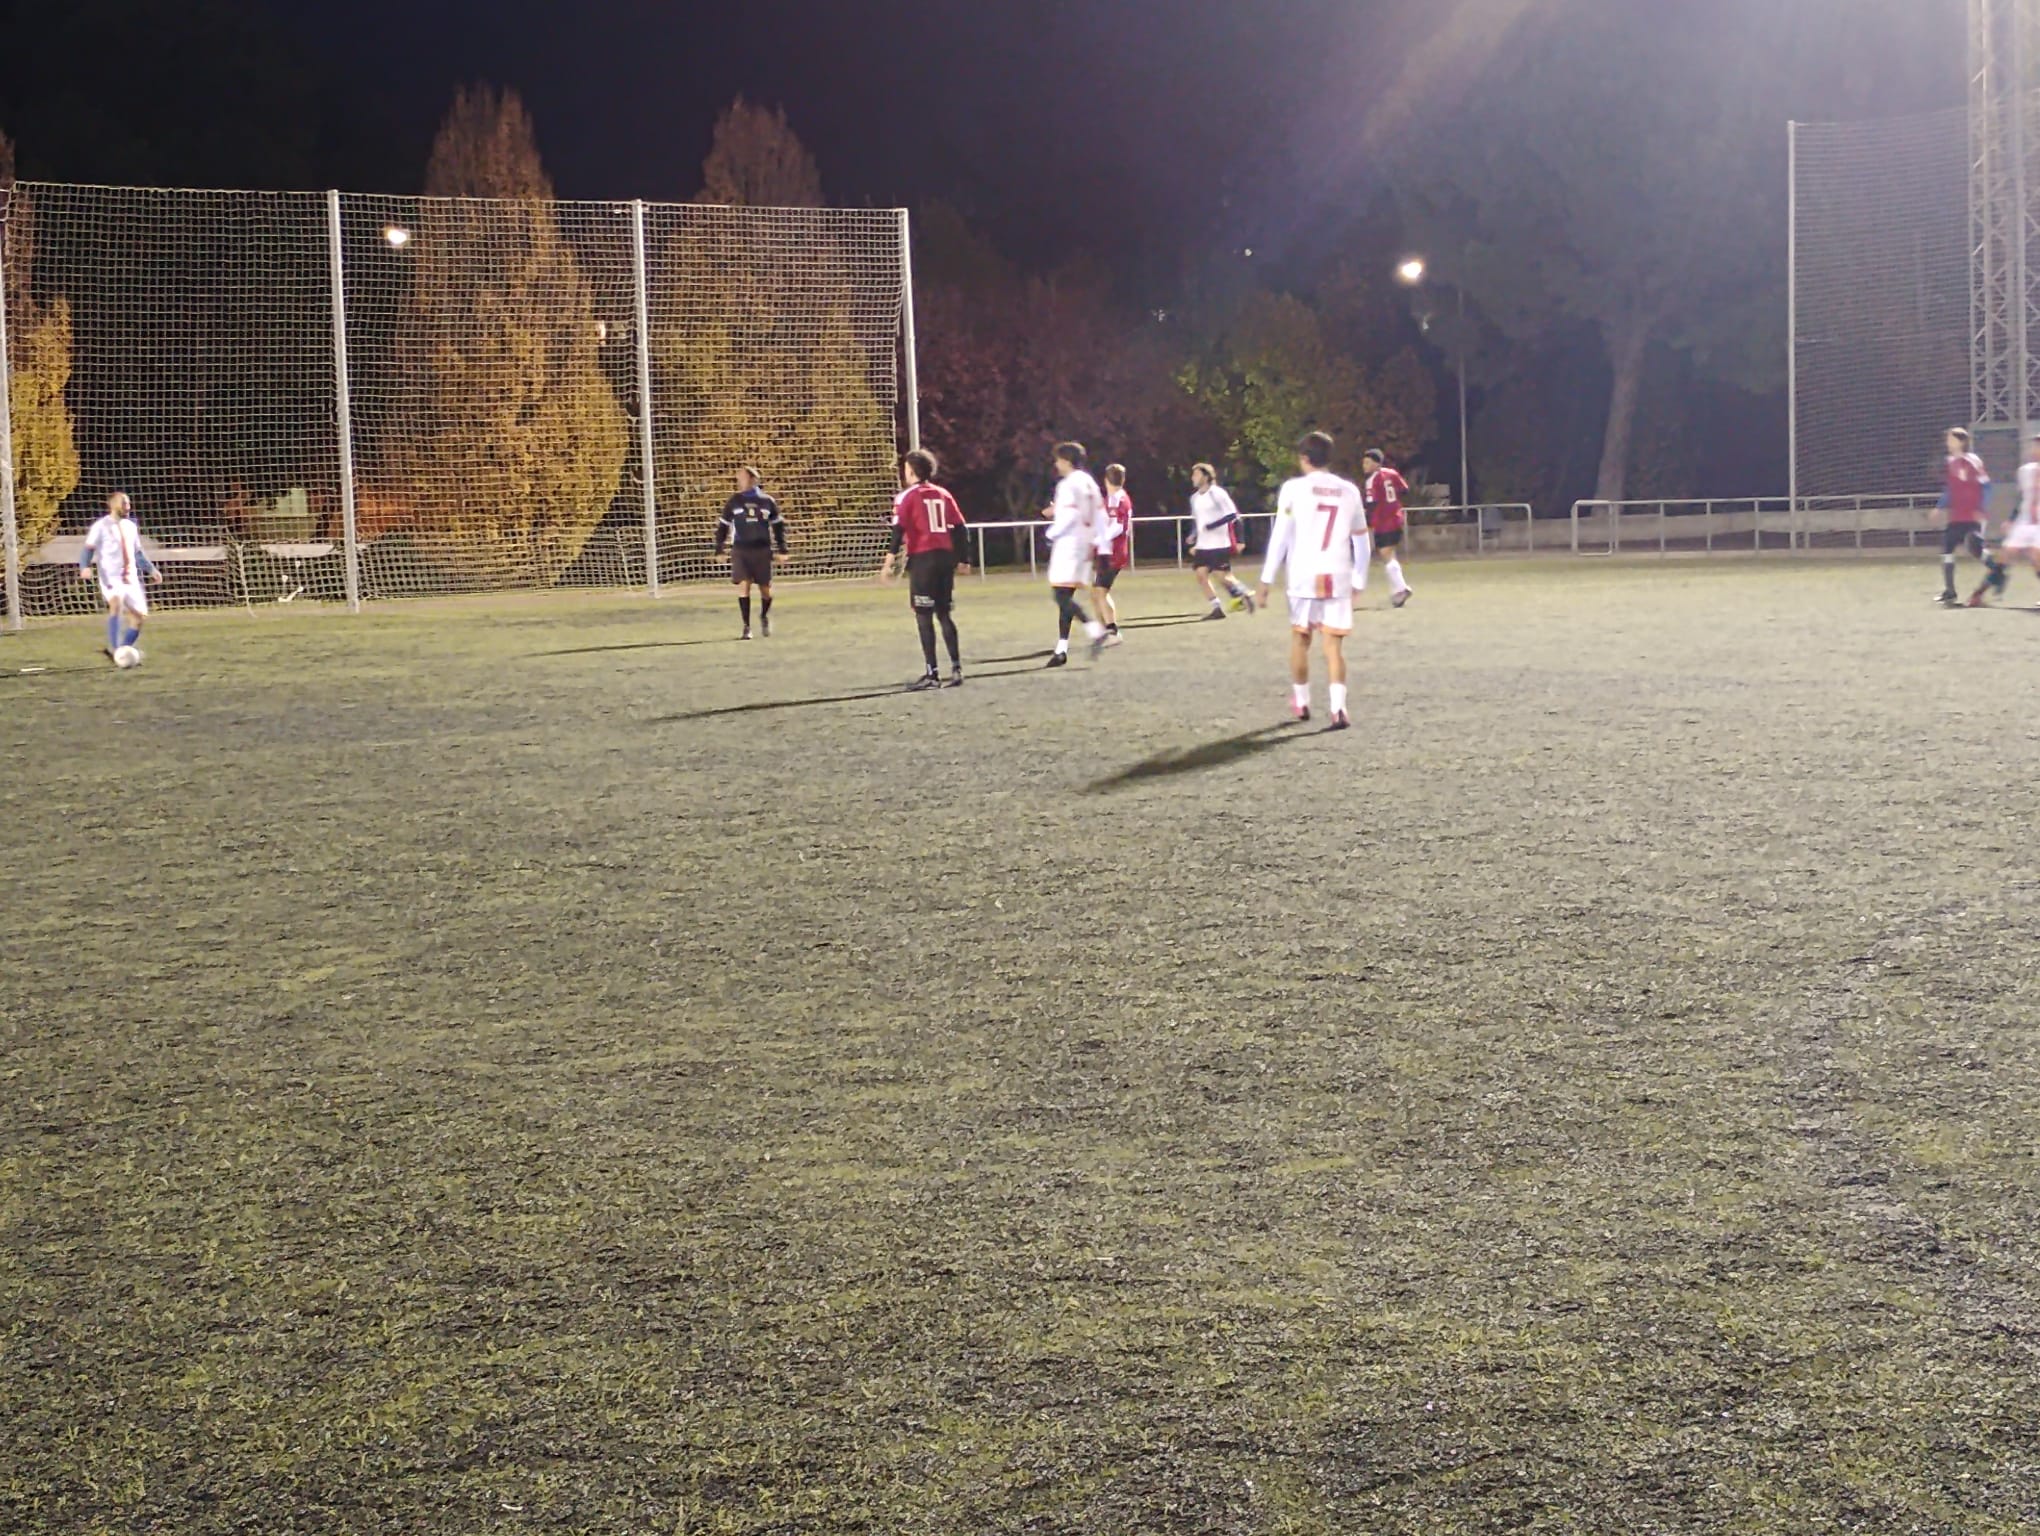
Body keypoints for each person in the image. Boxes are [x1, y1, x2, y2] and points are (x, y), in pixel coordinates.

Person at [1256, 432, 1368, 730]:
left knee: (1300, 639)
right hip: (1337, 575)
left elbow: (1280, 536)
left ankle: (1302, 701)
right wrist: (1359, 579)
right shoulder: (1349, 490)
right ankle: (1338, 708)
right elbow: (1362, 541)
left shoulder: (1293, 489)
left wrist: (1266, 579)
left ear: (1304, 458)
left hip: (1303, 576)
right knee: (1333, 648)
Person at [880, 448, 970, 689]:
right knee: (944, 614)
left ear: (911, 471)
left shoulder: (906, 497)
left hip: (923, 559)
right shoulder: (943, 493)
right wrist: (964, 559)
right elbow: (960, 528)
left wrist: (888, 563)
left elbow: (898, 531)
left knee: (923, 615)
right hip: (945, 558)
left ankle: (932, 674)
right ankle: (957, 669)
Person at [1040, 441, 1109, 667]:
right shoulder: (1089, 482)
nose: (1056, 464)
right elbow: (1100, 515)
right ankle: (1061, 650)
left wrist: (1050, 534)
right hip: (1085, 545)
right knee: (1065, 597)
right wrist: (1101, 544)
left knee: (1060, 596)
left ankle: (1095, 629)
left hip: (1069, 544)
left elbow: (1069, 516)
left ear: (1066, 460)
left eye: (1058, 459)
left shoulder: (1067, 484)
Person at [77, 491, 160, 664]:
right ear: (113, 505)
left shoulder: (130, 526)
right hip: (110, 577)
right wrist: (84, 566)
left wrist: (151, 569)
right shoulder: (101, 526)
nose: (128, 507)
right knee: (116, 603)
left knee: (139, 618)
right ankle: (115, 649)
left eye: (128, 503)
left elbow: (137, 552)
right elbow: (88, 549)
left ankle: (121, 651)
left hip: (131, 578)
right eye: (124, 503)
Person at [713, 466, 787, 638]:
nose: (740, 481)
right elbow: (723, 526)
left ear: (754, 480)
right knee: (743, 586)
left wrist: (782, 549)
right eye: (739, 478)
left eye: (743, 478)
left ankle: (764, 615)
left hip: (762, 550)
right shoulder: (734, 501)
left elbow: (778, 526)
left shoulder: (767, 501)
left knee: (765, 590)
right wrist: (719, 549)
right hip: (741, 550)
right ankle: (746, 627)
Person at [1971, 433, 2040, 607]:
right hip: (2024, 521)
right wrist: (2011, 519)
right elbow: (2021, 498)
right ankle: (1977, 595)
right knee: (2004, 556)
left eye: (2037, 445)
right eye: (2035, 445)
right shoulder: (2025, 471)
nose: (2035, 449)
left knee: (2037, 555)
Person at [1186, 463, 1257, 619]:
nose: (1193, 478)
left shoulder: (1217, 493)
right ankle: (1216, 607)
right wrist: (1193, 536)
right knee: (1201, 574)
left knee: (1222, 575)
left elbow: (1232, 515)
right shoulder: (1194, 498)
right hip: (1203, 544)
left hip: (1218, 543)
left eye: (1196, 474)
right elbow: (1197, 521)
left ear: (1206, 476)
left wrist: (1213, 526)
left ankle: (1244, 592)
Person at [1937, 428, 1989, 607]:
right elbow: (1950, 489)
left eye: (1951, 439)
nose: (1947, 442)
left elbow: (1986, 486)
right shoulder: (1950, 461)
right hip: (1956, 516)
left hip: (1972, 515)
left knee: (1976, 549)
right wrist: (1939, 507)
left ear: (1961, 442)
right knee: (1947, 548)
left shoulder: (1973, 460)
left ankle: (1997, 570)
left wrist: (1981, 508)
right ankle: (1950, 592)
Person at [1360, 449, 1414, 608]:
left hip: (1383, 522)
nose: (1364, 465)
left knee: (1387, 555)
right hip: (1396, 518)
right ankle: (1397, 591)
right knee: (1390, 554)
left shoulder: (1372, 480)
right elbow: (1405, 490)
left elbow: (1371, 503)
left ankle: (1401, 589)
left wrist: (1367, 521)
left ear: (1377, 464)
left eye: (1368, 462)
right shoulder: (1392, 473)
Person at [1091, 463, 1132, 644]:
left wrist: (1098, 539)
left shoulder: (1117, 499)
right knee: (1096, 593)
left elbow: (1117, 526)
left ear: (1106, 479)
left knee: (1100, 592)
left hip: (1112, 553)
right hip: (1110, 552)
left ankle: (1113, 632)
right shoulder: (1114, 498)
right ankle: (1104, 631)